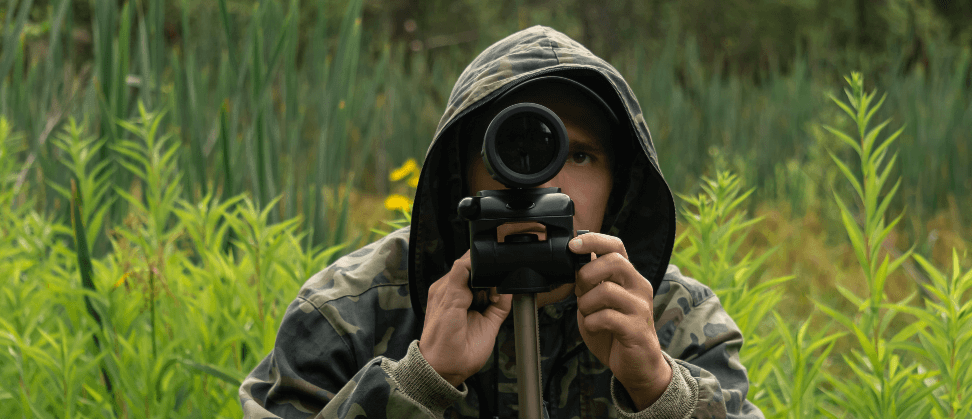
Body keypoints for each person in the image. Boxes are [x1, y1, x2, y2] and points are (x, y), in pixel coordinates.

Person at [239, 26, 764, 418]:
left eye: (579, 155)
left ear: (619, 185)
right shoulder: (352, 311)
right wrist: (419, 382)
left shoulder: (674, 317)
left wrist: (658, 388)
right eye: (512, 149)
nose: (543, 182)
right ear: (458, 174)